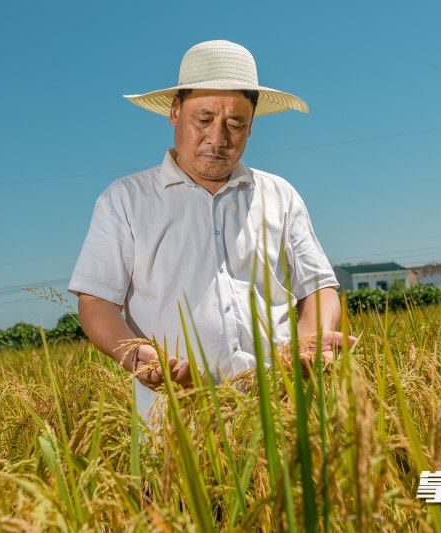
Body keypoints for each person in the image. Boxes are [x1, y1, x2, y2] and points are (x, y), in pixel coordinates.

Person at [67, 40, 356, 420]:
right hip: (175, 423)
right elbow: (96, 303)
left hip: (281, 414)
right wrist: (135, 354)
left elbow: (318, 288)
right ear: (174, 112)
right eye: (203, 120)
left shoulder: (279, 195)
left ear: (251, 127)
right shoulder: (124, 200)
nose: (218, 139)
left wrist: (306, 343)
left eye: (235, 124)